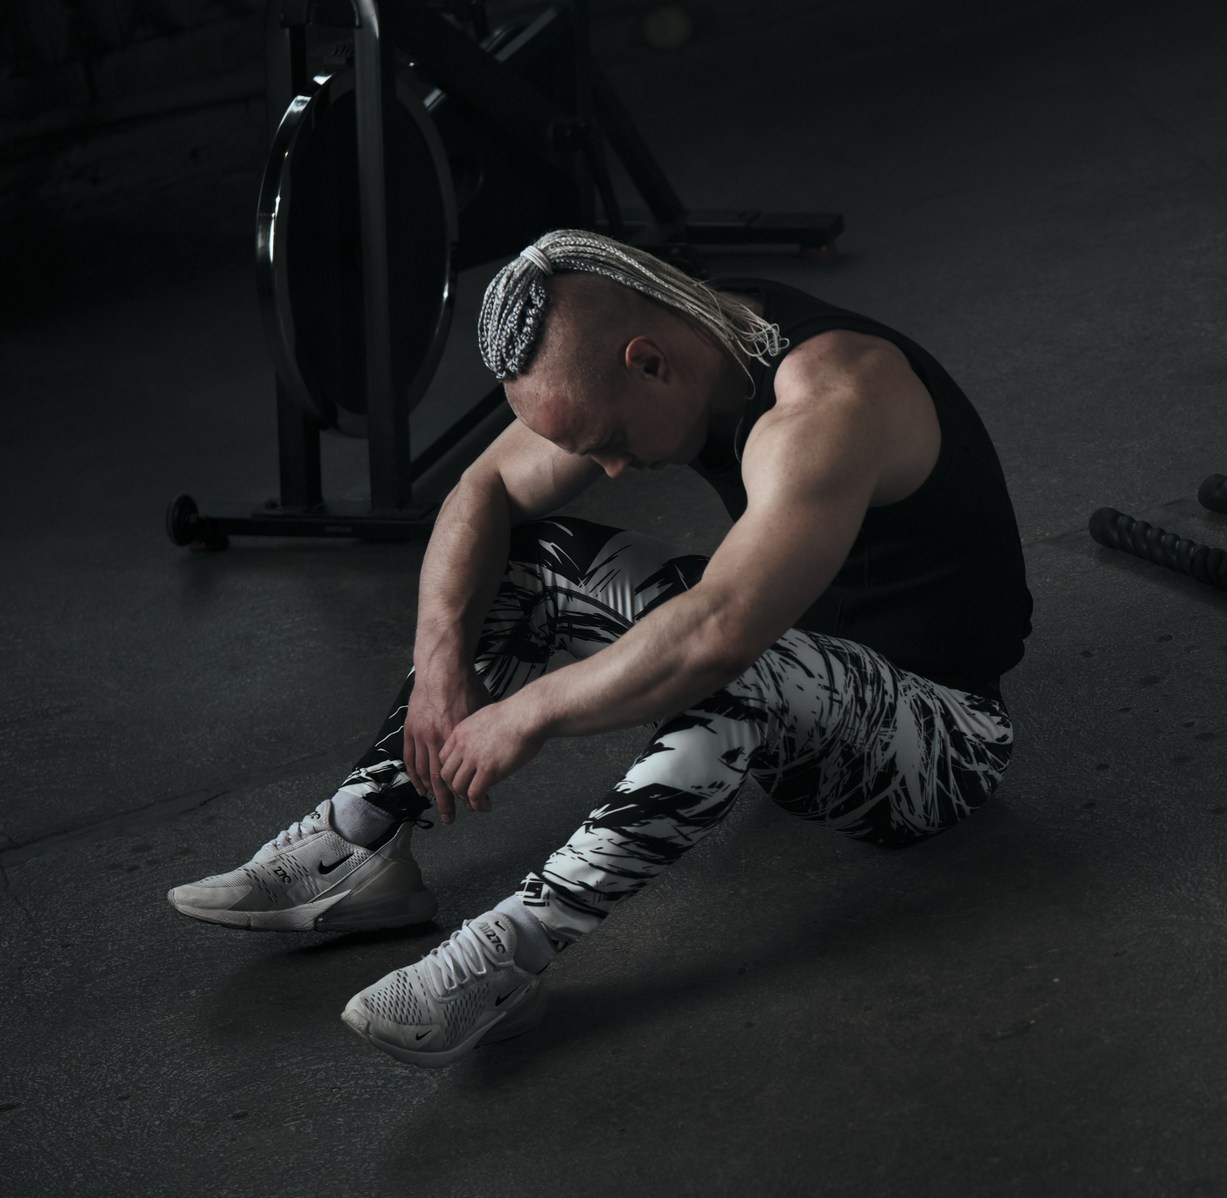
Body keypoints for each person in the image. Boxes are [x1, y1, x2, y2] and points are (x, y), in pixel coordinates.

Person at [166, 228, 1034, 1068]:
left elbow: (722, 632)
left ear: (648, 360)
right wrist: (440, 668)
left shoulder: (829, 400)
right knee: (519, 558)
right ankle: (359, 848)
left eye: (610, 441)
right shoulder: (699, 332)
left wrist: (531, 711)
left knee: (734, 663)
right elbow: (487, 488)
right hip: (789, 676)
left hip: (937, 747)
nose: (612, 470)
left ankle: (510, 953)